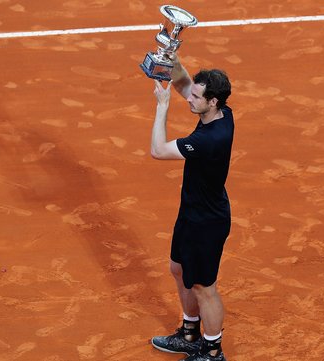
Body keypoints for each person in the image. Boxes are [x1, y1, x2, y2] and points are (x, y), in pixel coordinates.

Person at [149, 53, 233, 361]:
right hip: (192, 213)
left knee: (203, 287)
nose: (189, 99)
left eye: (196, 97)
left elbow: (158, 150)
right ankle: (189, 333)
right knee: (178, 269)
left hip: (207, 222)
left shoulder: (209, 139)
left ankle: (212, 350)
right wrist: (171, 56)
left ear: (211, 102)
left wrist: (162, 107)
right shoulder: (221, 111)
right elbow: (184, 82)